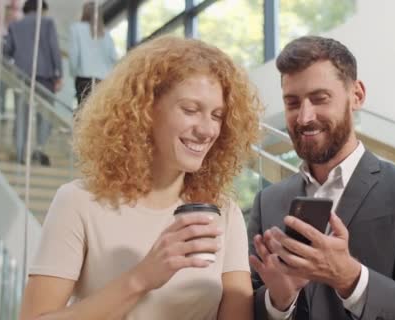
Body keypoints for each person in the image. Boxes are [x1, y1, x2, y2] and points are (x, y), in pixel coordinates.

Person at [19, 36, 261, 320]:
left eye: (217, 115)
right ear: (146, 110)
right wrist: (142, 278)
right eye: (190, 110)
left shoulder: (223, 211)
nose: (207, 130)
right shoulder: (78, 202)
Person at [248, 36, 395, 319]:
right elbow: (246, 308)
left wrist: (351, 278)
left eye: (320, 99)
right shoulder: (268, 201)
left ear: (356, 95)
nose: (305, 117)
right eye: (293, 103)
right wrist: (279, 301)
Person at [3, 0, 62, 166]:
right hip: (45, 77)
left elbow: (6, 53)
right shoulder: (48, 23)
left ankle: (21, 153)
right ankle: (39, 149)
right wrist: (59, 73)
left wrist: (14, 68)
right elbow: (54, 49)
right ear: (41, 9)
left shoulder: (15, 25)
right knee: (45, 116)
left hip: (21, 77)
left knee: (21, 116)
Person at [68, 1, 117, 106]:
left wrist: (73, 72)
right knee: (100, 113)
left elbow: (74, 55)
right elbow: (114, 58)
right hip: (104, 81)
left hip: (84, 79)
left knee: (85, 113)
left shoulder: (76, 28)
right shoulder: (106, 33)